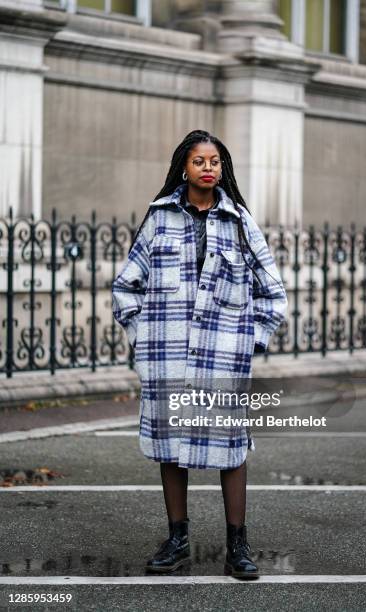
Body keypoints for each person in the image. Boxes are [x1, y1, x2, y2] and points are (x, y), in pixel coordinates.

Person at [112, 129, 288, 580]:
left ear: (222, 168)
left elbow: (273, 293)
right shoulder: (159, 220)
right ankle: (177, 539)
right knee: (171, 450)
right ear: (184, 168)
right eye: (199, 161)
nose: (208, 168)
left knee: (231, 450)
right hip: (166, 358)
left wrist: (250, 342)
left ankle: (237, 546)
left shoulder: (240, 222)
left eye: (215, 161)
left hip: (222, 360)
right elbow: (126, 287)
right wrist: (143, 338)